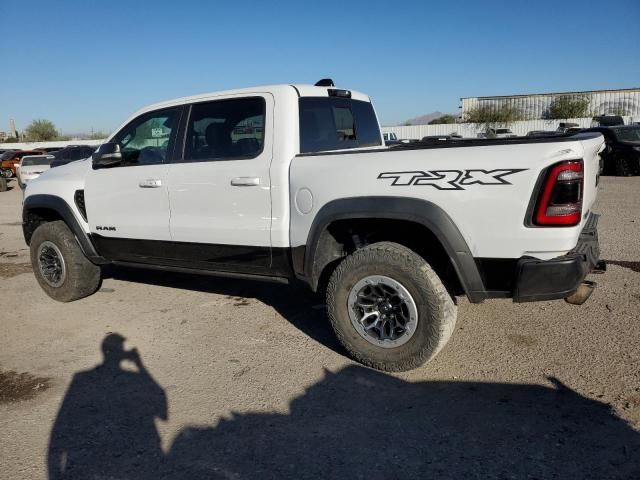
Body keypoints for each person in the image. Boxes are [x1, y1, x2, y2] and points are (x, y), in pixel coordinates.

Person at [48, 334, 167, 479]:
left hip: (95, 461)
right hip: (125, 461)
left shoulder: (82, 378)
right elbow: (162, 410)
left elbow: (61, 423)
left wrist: (55, 471)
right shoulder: (132, 378)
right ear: (121, 354)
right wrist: (140, 365)